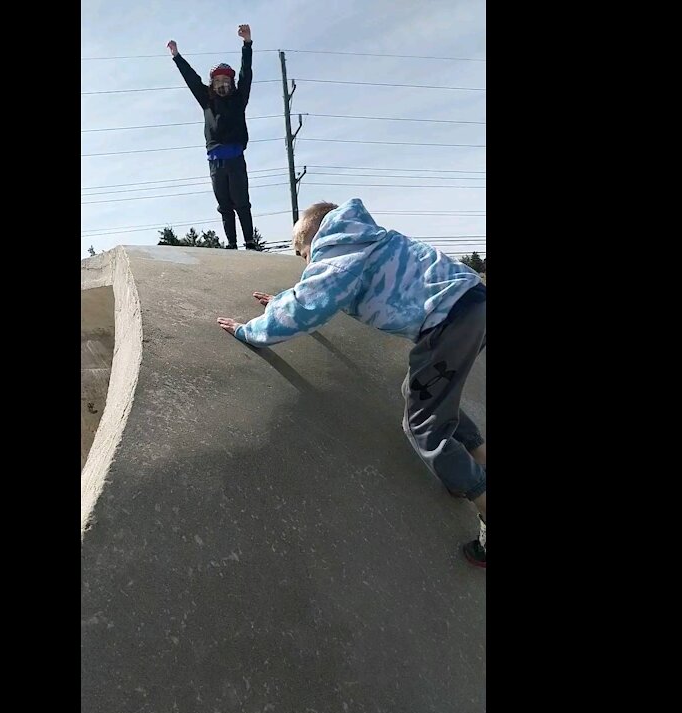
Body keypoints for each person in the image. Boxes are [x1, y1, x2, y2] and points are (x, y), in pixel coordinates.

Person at [215, 199, 489, 567]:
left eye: (302, 253)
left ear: (315, 235)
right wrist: (282, 299)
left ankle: (482, 500)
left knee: (423, 427)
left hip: (448, 323)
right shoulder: (364, 237)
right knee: (422, 394)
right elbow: (311, 293)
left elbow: (308, 306)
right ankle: (477, 461)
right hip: (471, 302)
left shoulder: (336, 252)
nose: (305, 263)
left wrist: (248, 331)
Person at [167, 25, 257, 250]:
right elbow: (191, 79)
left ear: (231, 83)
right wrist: (177, 57)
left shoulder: (239, 99)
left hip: (235, 159)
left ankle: (250, 241)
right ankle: (233, 244)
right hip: (215, 162)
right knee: (224, 205)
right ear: (212, 84)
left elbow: (246, 75)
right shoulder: (207, 101)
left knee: (241, 203)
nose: (222, 84)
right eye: (218, 81)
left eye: (226, 80)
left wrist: (247, 44)